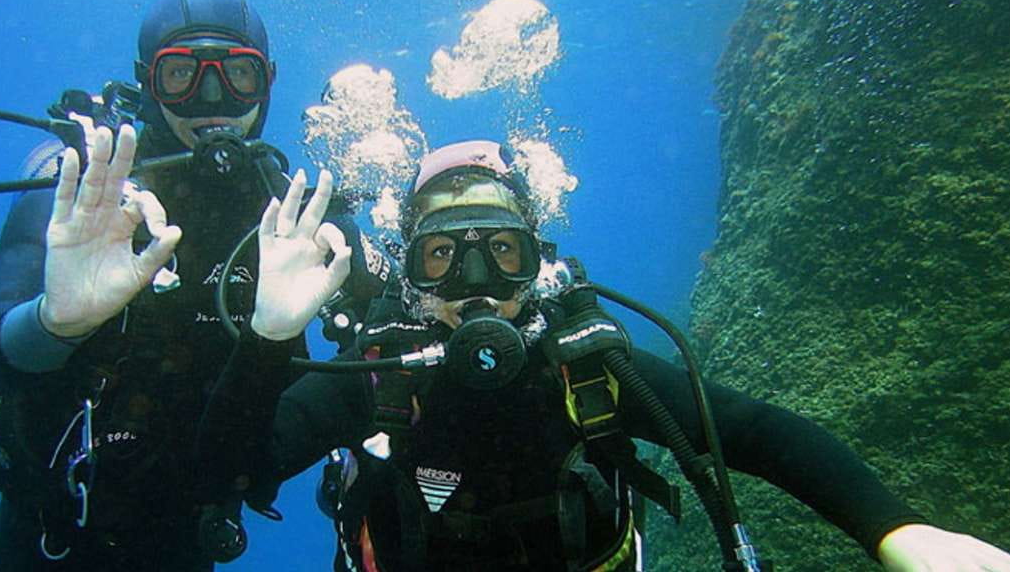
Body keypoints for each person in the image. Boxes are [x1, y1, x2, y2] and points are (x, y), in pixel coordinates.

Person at [198, 140, 1010, 571]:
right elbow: (227, 476)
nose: (477, 284)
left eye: (502, 253)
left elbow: (756, 434)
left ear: (538, 259)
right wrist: (267, 343)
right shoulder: (374, 374)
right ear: (408, 275)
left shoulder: (586, 366)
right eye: (443, 258)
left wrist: (893, 528)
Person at [0, 0, 371, 571]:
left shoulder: (293, 223)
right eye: (181, 75)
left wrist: (273, 339)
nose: (212, 100)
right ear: (147, 80)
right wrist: (56, 322)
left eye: (239, 75)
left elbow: (398, 333)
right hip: (49, 533)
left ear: (269, 82)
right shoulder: (88, 198)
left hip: (184, 538)